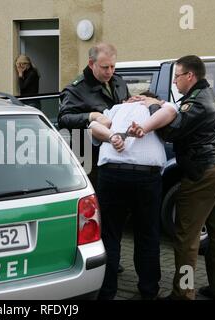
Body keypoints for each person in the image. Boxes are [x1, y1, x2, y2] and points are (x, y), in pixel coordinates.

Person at [144, 55, 215, 300]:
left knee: (186, 236)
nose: (174, 81)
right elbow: (181, 115)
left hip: (203, 174)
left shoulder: (197, 101)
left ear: (190, 76)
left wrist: (152, 107)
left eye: (177, 76)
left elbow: (172, 130)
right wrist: (163, 104)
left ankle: (183, 293)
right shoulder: (207, 95)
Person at [89, 93, 178, 300]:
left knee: (110, 235)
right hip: (146, 176)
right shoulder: (156, 109)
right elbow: (172, 110)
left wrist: (112, 137)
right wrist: (151, 113)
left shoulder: (116, 109)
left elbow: (93, 126)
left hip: (112, 173)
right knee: (147, 235)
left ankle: (107, 291)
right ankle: (148, 290)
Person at [58, 43, 130, 274]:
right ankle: (95, 260)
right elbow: (64, 118)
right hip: (91, 159)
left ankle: (112, 257)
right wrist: (91, 115)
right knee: (95, 215)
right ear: (91, 64)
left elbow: (123, 107)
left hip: (117, 156)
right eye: (105, 67)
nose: (110, 71)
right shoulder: (76, 89)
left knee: (116, 214)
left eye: (113, 66)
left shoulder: (118, 82)